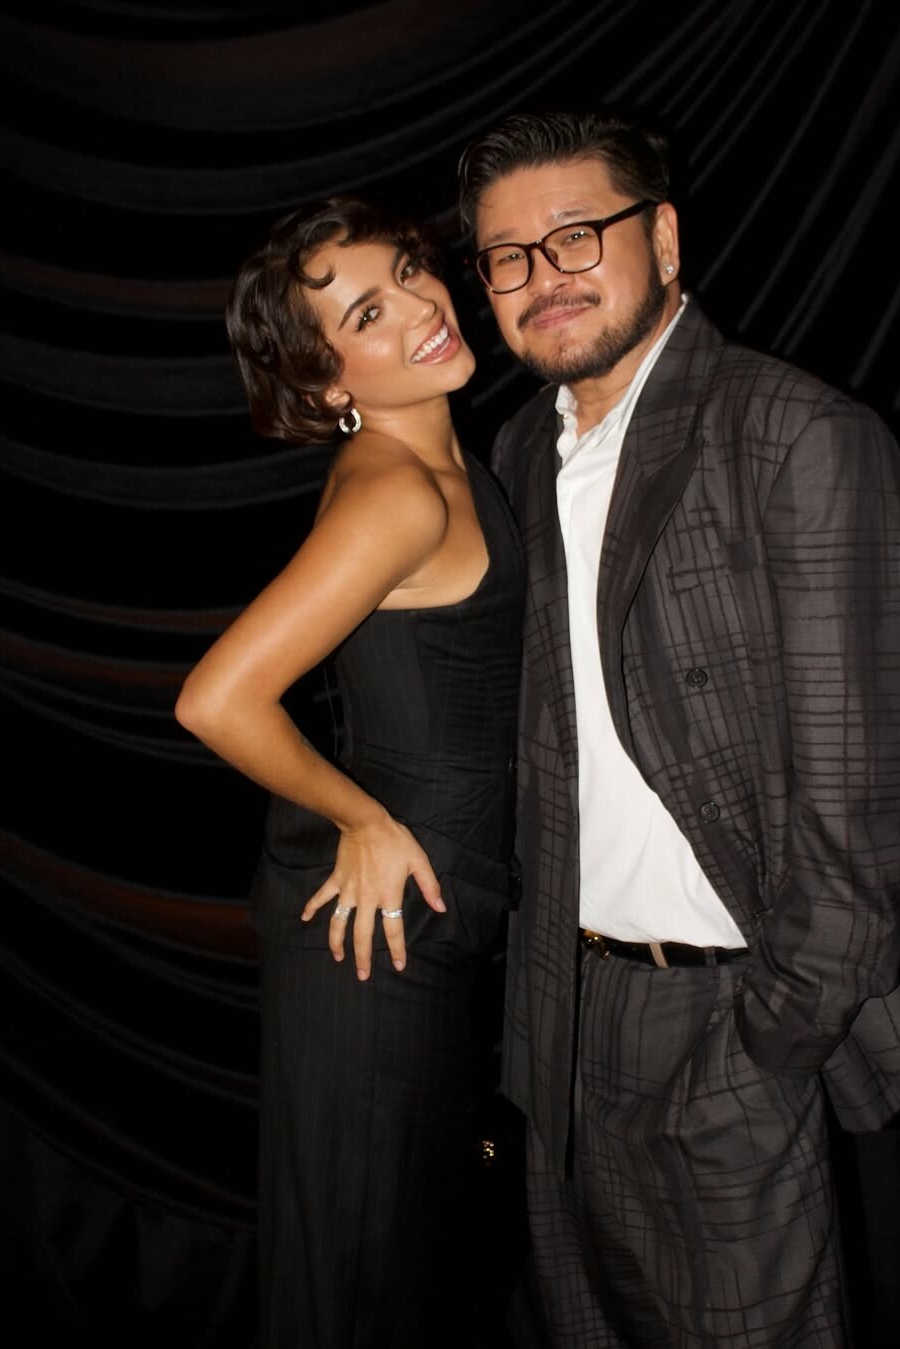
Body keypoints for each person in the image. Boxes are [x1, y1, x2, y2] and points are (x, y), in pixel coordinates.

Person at [457, 110, 900, 1348]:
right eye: (508, 255)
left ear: (666, 239)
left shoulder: (795, 436)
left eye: (577, 233)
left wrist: (764, 1042)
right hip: (559, 1016)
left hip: (725, 1025)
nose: (543, 275)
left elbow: (864, 808)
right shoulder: (515, 456)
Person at [174, 196, 524, 1349]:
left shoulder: (431, 459)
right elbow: (217, 697)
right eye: (370, 313)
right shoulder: (397, 492)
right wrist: (360, 818)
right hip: (379, 942)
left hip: (421, 927)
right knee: (360, 1292)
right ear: (328, 385)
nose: (423, 306)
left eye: (410, 270)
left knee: (392, 1278)